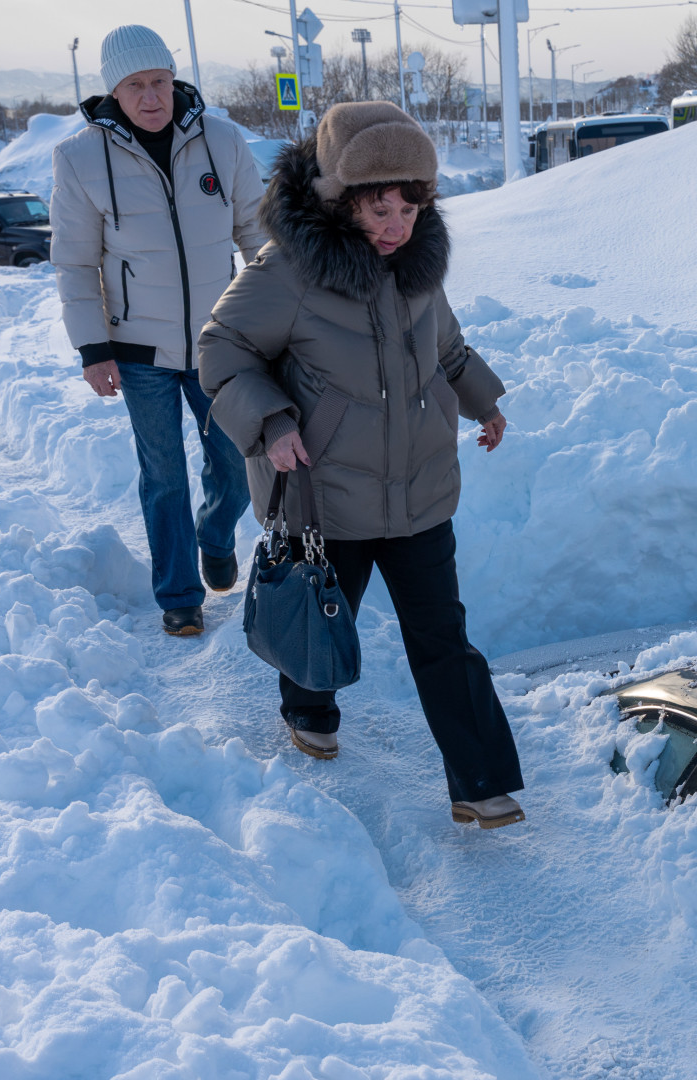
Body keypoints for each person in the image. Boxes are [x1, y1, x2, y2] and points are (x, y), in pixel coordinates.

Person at [199, 103, 526, 830]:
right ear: (340, 198)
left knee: (443, 638)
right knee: (321, 614)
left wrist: (483, 400)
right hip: (326, 493)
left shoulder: (417, 266)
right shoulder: (287, 271)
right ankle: (308, 708)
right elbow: (221, 349)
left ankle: (479, 782)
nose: (397, 226)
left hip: (419, 490)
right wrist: (272, 421)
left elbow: (447, 346)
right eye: (381, 209)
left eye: (411, 208)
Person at [50, 25, 267, 636]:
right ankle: (179, 595)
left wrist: (279, 317)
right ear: (113, 93)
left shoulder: (221, 141)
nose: (151, 97)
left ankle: (215, 535)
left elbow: (258, 234)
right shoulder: (80, 158)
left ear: (175, 80)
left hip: (219, 342)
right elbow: (74, 262)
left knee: (236, 462)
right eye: (136, 85)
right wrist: (92, 348)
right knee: (164, 474)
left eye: (160, 81)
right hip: (137, 349)